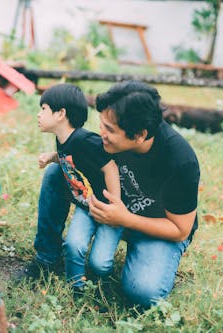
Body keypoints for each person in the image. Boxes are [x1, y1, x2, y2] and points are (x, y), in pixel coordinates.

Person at [25, 80, 200, 308]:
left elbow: (180, 229)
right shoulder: (111, 138)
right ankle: (48, 257)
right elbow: (77, 151)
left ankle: (140, 252)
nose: (101, 134)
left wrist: (124, 219)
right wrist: (54, 155)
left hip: (157, 227)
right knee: (56, 172)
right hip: (113, 209)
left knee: (144, 292)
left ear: (139, 136)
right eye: (101, 124)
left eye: (109, 130)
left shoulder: (179, 161)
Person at [33, 83, 123, 292]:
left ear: (60, 114)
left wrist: (114, 204)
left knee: (99, 263)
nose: (38, 114)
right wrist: (52, 157)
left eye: (43, 108)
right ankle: (75, 287)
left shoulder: (85, 140)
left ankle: (103, 286)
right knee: (73, 245)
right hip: (87, 206)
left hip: (108, 207)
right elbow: (70, 158)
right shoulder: (63, 139)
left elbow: (110, 167)